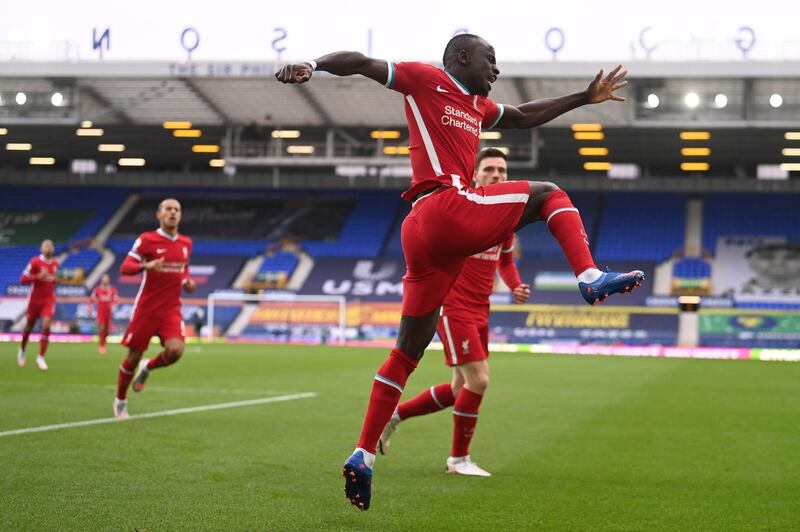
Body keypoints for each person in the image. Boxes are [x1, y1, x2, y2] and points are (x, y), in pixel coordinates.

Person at [276, 33, 644, 511]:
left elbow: (524, 115)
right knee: (550, 193)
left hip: (425, 235)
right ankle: (589, 275)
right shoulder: (426, 79)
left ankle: (363, 453)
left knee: (406, 353)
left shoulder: (475, 107)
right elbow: (363, 62)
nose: (496, 71)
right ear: (463, 58)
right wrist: (313, 63)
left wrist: (582, 97)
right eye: (491, 60)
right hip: (444, 205)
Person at [378, 148, 529, 477]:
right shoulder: (463, 210)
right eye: (489, 169)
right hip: (454, 306)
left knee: (461, 388)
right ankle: (458, 460)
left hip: (481, 310)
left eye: (502, 171)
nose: (497, 175)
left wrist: (515, 284)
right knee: (480, 380)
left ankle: (394, 416)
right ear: (475, 175)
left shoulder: (504, 219)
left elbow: (505, 260)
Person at [113, 199, 195, 419]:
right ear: (159, 214)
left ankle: (148, 367)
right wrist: (145, 266)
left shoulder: (186, 243)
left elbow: (184, 270)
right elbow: (126, 267)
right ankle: (120, 399)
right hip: (147, 309)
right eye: (168, 209)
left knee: (176, 351)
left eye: (177, 209)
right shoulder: (147, 240)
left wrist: (188, 282)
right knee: (133, 356)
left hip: (171, 310)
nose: (173, 213)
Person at [17, 239, 59, 370]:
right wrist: (38, 276)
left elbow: (52, 281)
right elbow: (23, 279)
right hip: (35, 300)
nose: (48, 248)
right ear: (41, 249)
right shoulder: (34, 262)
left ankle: (41, 357)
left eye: (51, 245)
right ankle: (22, 350)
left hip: (48, 299)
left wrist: (54, 280)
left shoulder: (55, 264)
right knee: (29, 326)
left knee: (47, 323)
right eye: (46, 245)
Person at [89, 274, 119, 355]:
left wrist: (113, 305)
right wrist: (90, 307)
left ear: (108, 280)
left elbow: (116, 299)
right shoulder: (97, 289)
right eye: (104, 279)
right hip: (100, 311)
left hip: (108, 312)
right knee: (101, 327)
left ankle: (104, 344)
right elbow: (92, 299)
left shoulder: (112, 289)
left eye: (106, 279)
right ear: (102, 280)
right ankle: (101, 346)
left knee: (107, 330)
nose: (105, 280)